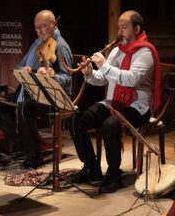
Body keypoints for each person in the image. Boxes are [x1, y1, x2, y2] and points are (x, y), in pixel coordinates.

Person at [69, 10, 161, 193]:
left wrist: (104, 65)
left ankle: (113, 175)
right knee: (75, 119)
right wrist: (89, 73)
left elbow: (130, 79)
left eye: (124, 27)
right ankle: (91, 167)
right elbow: (103, 78)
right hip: (113, 102)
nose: (120, 32)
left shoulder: (146, 52)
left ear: (137, 28)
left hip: (138, 107)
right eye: (118, 27)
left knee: (110, 125)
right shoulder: (117, 50)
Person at [0, 10, 72, 169]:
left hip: (51, 95)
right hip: (31, 87)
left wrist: (50, 77)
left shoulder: (60, 46)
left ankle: (33, 155)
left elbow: (67, 78)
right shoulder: (37, 43)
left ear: (54, 24)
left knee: (26, 106)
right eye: (36, 28)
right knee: (3, 103)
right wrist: (24, 69)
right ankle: (18, 146)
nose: (39, 31)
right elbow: (20, 64)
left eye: (43, 27)